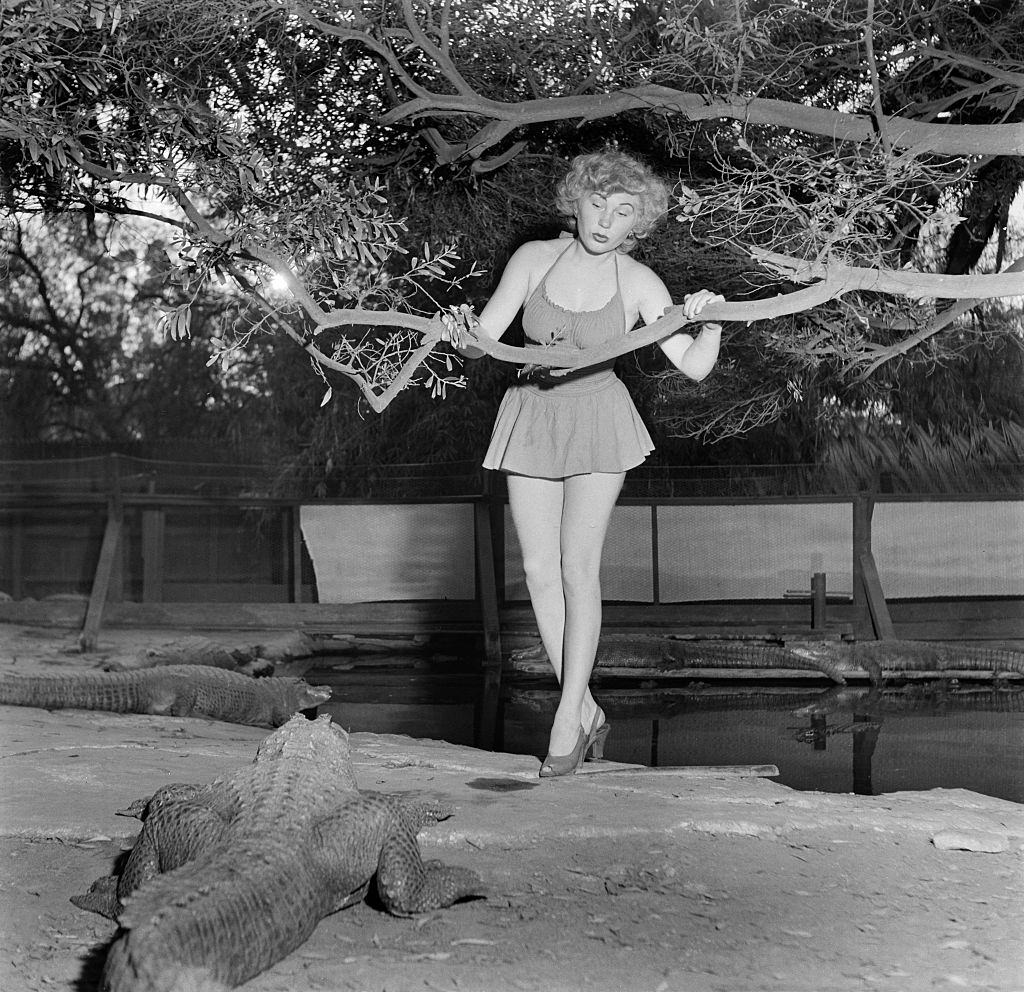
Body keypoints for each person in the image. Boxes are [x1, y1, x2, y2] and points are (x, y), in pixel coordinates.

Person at [442, 150, 724, 777]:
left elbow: (695, 364)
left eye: (623, 212)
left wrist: (711, 320)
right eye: (598, 203)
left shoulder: (640, 282)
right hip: (532, 415)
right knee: (539, 572)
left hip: (599, 420)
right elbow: (484, 341)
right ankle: (588, 708)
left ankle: (567, 717)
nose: (606, 220)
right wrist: (461, 331)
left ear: (637, 223)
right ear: (577, 200)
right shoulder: (533, 259)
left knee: (577, 570)